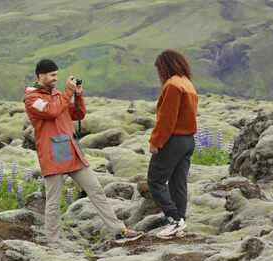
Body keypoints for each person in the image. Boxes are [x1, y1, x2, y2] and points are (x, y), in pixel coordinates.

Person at [24, 59, 143, 246]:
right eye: (52, 75)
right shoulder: (32, 99)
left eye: (57, 74)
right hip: (52, 153)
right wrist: (68, 92)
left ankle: (119, 230)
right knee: (54, 200)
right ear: (40, 76)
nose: (56, 78)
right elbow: (52, 112)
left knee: (96, 190)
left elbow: (77, 115)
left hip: (71, 150)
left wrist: (78, 96)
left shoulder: (57, 94)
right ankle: (53, 243)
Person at [147, 50, 198, 239]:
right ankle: (180, 221)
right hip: (188, 141)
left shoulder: (173, 85)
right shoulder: (187, 84)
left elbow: (167, 119)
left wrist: (155, 141)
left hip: (173, 140)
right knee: (178, 183)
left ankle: (175, 219)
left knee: (155, 180)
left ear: (165, 66)